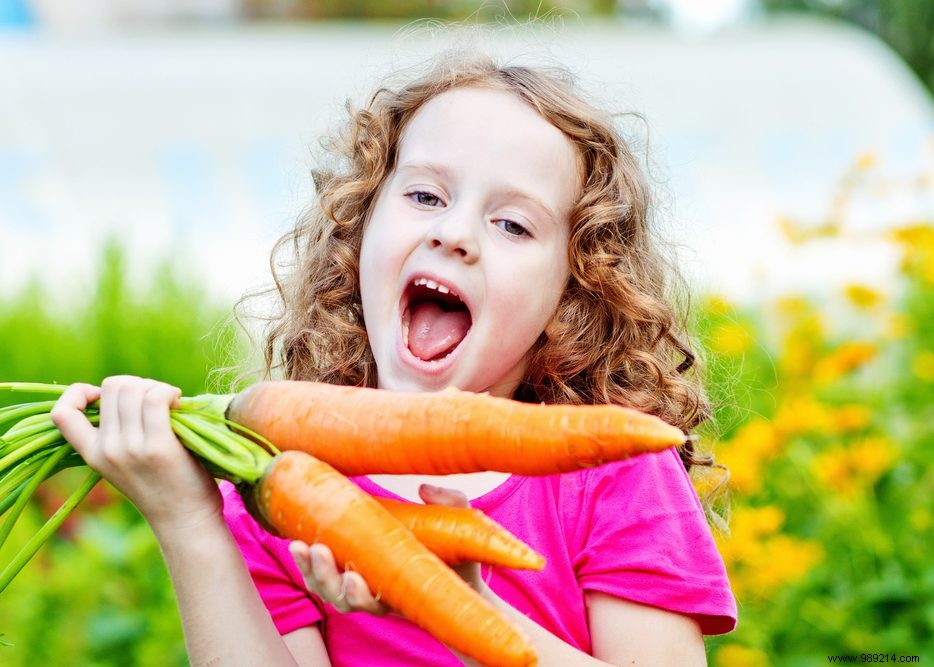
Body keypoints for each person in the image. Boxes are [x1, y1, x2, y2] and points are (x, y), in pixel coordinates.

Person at [51, 48, 737, 666]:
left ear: (573, 290)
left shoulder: (614, 470)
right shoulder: (274, 489)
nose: (455, 232)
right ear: (359, 231)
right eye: (424, 195)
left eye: (513, 223)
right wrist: (188, 519)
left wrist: (462, 607)